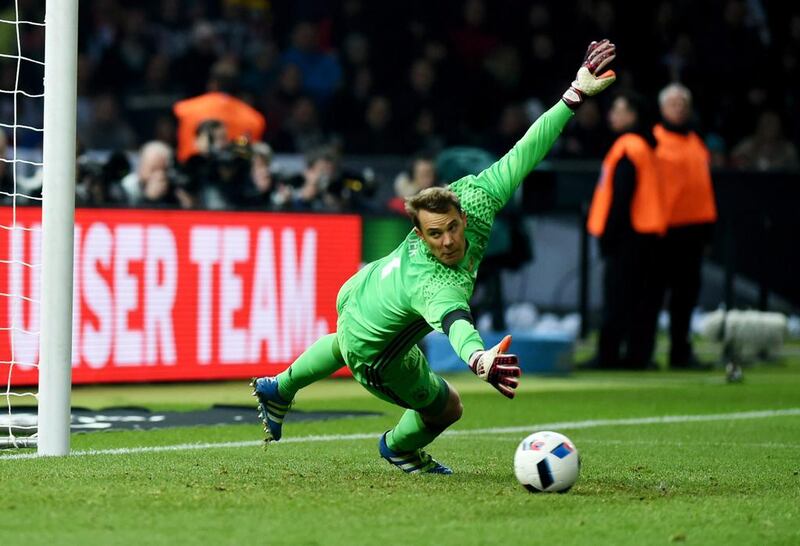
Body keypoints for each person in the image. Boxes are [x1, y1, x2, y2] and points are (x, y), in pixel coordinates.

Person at [251, 39, 617, 474]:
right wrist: (479, 358)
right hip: (376, 357)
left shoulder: (479, 195)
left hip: (359, 295)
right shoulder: (436, 282)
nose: (445, 242)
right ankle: (398, 448)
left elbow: (526, 149)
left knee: (346, 339)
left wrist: (573, 93)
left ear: (463, 213)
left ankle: (279, 388)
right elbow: (455, 324)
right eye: (434, 235)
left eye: (451, 229)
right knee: (448, 407)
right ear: (420, 235)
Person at [585, 91, 666, 370]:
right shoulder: (645, 144)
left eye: (619, 110)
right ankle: (637, 355)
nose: (613, 116)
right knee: (641, 299)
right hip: (646, 235)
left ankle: (608, 355)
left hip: (627, 235)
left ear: (634, 116)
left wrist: (609, 234)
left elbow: (622, 195)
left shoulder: (629, 146)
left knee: (617, 298)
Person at [653, 83, 718, 369]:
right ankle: (642, 350)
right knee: (653, 294)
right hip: (663, 231)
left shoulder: (696, 140)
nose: (679, 108)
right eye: (673, 103)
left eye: (683, 103)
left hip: (693, 231)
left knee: (686, 297)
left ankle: (680, 351)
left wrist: (706, 233)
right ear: (662, 108)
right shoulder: (654, 139)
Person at [173, 61, 266, 163]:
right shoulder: (255, 119)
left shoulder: (183, 109)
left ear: (212, 83)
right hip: (233, 175)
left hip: (191, 172)